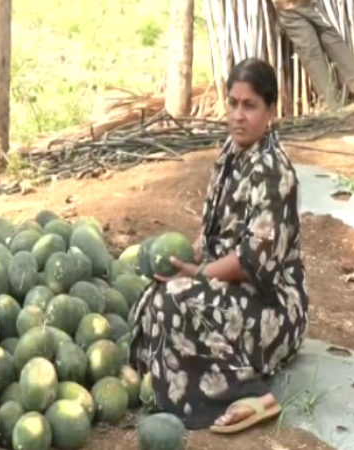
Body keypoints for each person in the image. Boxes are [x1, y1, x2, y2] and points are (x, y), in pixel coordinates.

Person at [128, 58, 309, 434]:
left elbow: (250, 261)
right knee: (152, 299)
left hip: (272, 306)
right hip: (231, 289)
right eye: (233, 103)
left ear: (270, 111)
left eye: (250, 106)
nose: (238, 115)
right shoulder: (230, 152)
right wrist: (187, 258)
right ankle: (165, 385)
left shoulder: (274, 173)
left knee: (175, 301)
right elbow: (214, 232)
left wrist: (199, 274)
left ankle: (254, 394)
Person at [273, 0, 354, 105]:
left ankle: (332, 100)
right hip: (294, 6)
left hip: (288, 6)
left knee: (312, 51)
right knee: (327, 40)